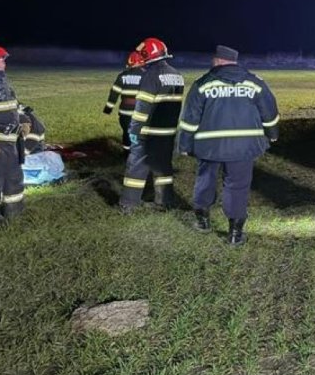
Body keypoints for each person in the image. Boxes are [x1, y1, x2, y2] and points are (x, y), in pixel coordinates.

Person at [178, 45, 279, 245]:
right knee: (237, 185)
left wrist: (184, 145)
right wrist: (272, 135)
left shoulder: (203, 84)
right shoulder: (255, 83)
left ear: (218, 61)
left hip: (209, 147)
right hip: (244, 147)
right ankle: (234, 233)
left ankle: (203, 221)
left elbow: (190, 119)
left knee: (205, 180)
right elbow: (269, 113)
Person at [119, 37, 184, 213]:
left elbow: (143, 106)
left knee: (136, 167)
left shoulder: (150, 75)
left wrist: (134, 129)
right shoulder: (177, 76)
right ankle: (165, 201)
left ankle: (128, 204)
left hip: (148, 133)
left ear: (148, 55)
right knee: (163, 167)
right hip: (168, 132)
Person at [0, 45, 24, 224]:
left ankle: (15, 213)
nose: (3, 63)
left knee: (14, 177)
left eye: (3, 59)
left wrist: (24, 119)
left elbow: (13, 107)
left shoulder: (4, 84)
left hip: (11, 143)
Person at [103, 51, 146, 151]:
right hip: (140, 113)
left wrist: (108, 109)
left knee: (126, 133)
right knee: (141, 133)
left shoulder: (122, 76)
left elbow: (114, 93)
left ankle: (126, 154)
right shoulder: (146, 76)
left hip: (125, 113)